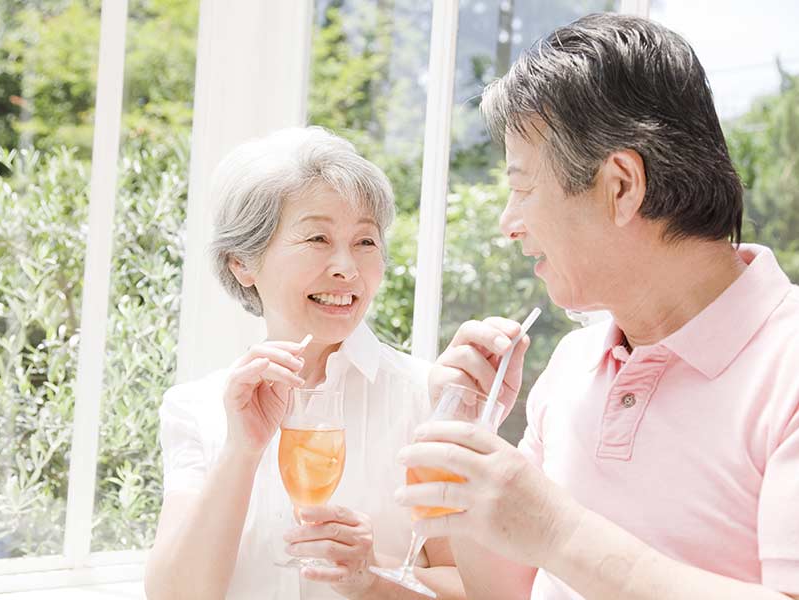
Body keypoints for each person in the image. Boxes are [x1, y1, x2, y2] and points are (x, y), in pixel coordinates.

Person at [394, 13, 799, 600]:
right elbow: (508, 590)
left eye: (523, 187)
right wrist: (464, 439)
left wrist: (558, 532)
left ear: (621, 186)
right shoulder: (574, 360)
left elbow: (558, 543)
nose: (509, 222)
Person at [144, 127, 463, 599]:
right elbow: (175, 594)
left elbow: (478, 589)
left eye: (366, 242)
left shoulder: (427, 397)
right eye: (317, 237)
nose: (347, 268)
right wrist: (242, 449)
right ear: (242, 263)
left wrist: (373, 579)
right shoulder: (196, 407)